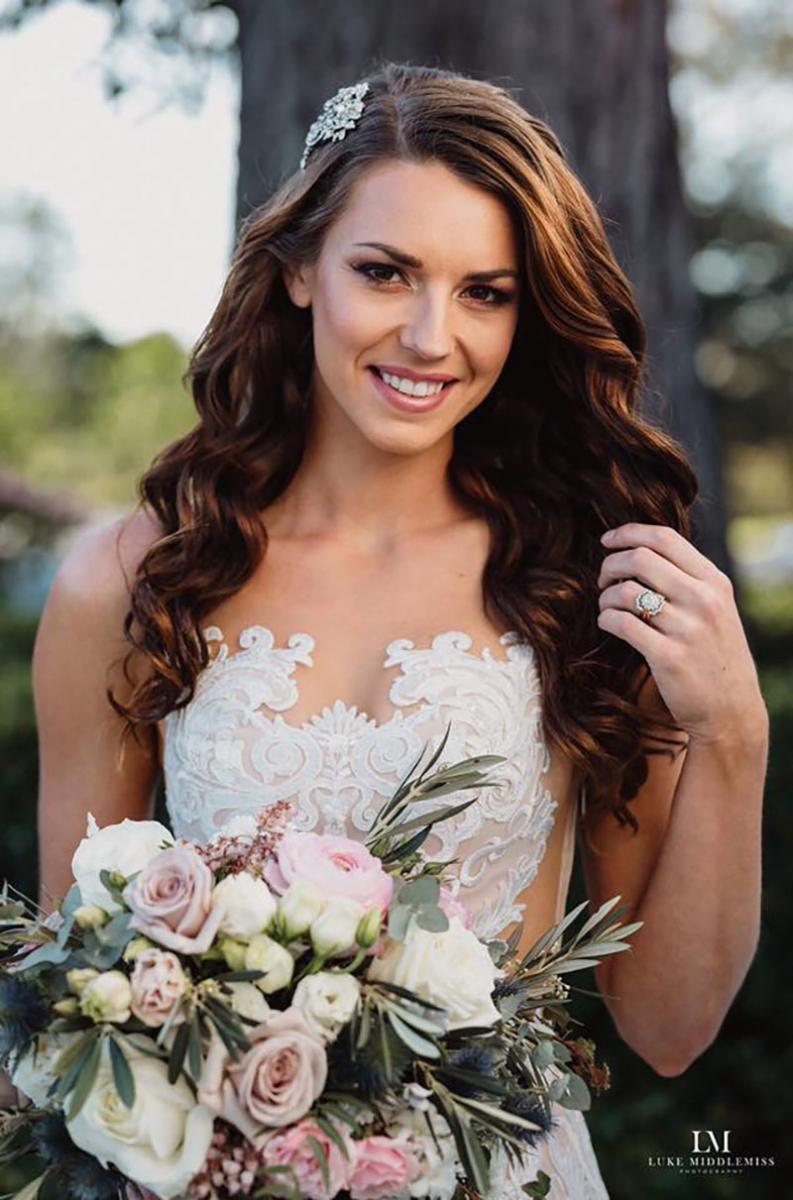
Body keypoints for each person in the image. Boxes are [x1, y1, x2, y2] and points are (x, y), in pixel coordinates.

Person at [23, 62, 768, 1198]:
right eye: (386, 273)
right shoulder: (136, 581)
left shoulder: (583, 586)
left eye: (486, 292)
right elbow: (74, 1015)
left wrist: (735, 737)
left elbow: (666, 1025)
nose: (430, 336)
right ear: (297, 273)